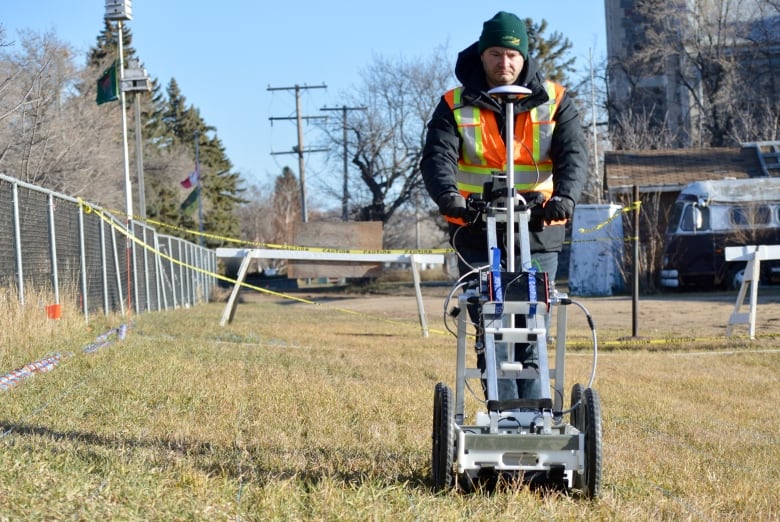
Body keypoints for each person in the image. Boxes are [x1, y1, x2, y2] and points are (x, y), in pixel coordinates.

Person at [421, 11, 588, 400]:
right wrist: (450, 198)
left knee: (532, 323)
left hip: (539, 230)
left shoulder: (554, 101)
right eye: (496, 53)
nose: (504, 63)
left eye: (512, 55)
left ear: (525, 58)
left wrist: (564, 199)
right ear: (481, 56)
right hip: (477, 230)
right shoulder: (454, 104)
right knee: (491, 323)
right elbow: (437, 158)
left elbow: (574, 156)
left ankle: (536, 417)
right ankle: (503, 413)